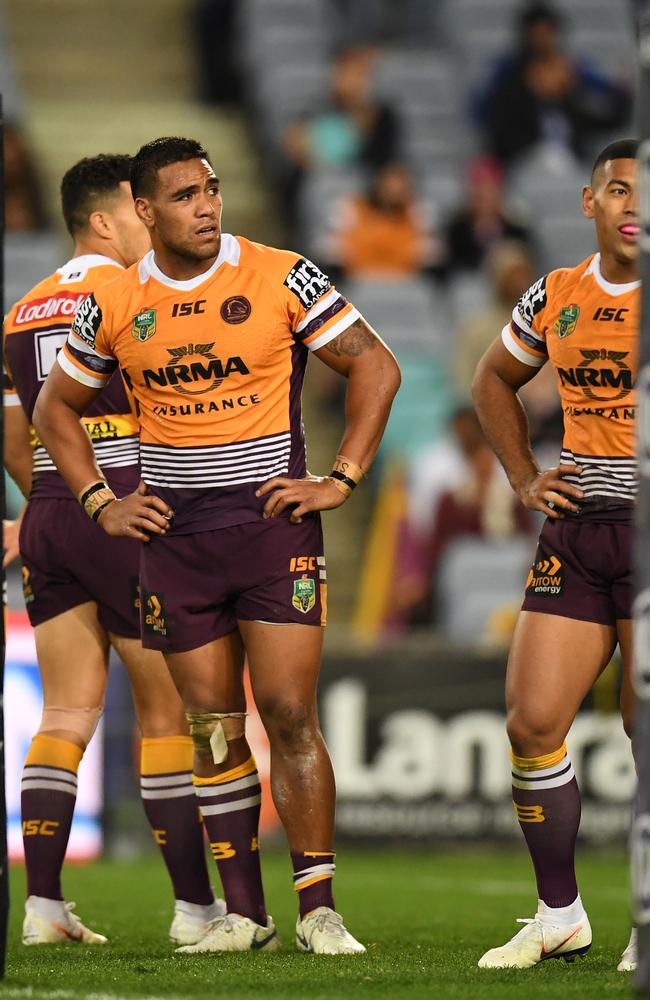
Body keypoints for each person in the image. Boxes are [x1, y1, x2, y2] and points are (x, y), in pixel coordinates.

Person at [33, 136, 401, 955]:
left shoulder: (280, 272)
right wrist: (100, 500)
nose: (206, 205)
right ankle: (245, 915)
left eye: (212, 189)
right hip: (176, 537)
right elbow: (55, 409)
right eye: (184, 194)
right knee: (213, 727)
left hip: (271, 527)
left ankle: (319, 909)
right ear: (143, 210)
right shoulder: (116, 302)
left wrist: (340, 479)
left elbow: (375, 366)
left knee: (289, 714)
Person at [4, 154, 225, 947]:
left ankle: (43, 906)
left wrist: (43, 509)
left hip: (51, 510)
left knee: (65, 711)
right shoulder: (128, 294)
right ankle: (197, 911)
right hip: (125, 500)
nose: (150, 224)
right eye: (138, 213)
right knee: (166, 708)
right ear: (105, 220)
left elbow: (14, 427)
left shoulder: (22, 310)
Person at [472, 138, 639, 971]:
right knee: (533, 722)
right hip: (576, 530)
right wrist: (525, 473)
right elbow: (492, 380)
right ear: (589, 202)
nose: (633, 204)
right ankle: (558, 914)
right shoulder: (556, 293)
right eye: (618, 189)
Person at [479, 2, 631, 167]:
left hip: (572, 172)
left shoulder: (572, 94)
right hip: (523, 168)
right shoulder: (508, 88)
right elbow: (494, 130)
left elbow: (606, 121)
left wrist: (621, 92)